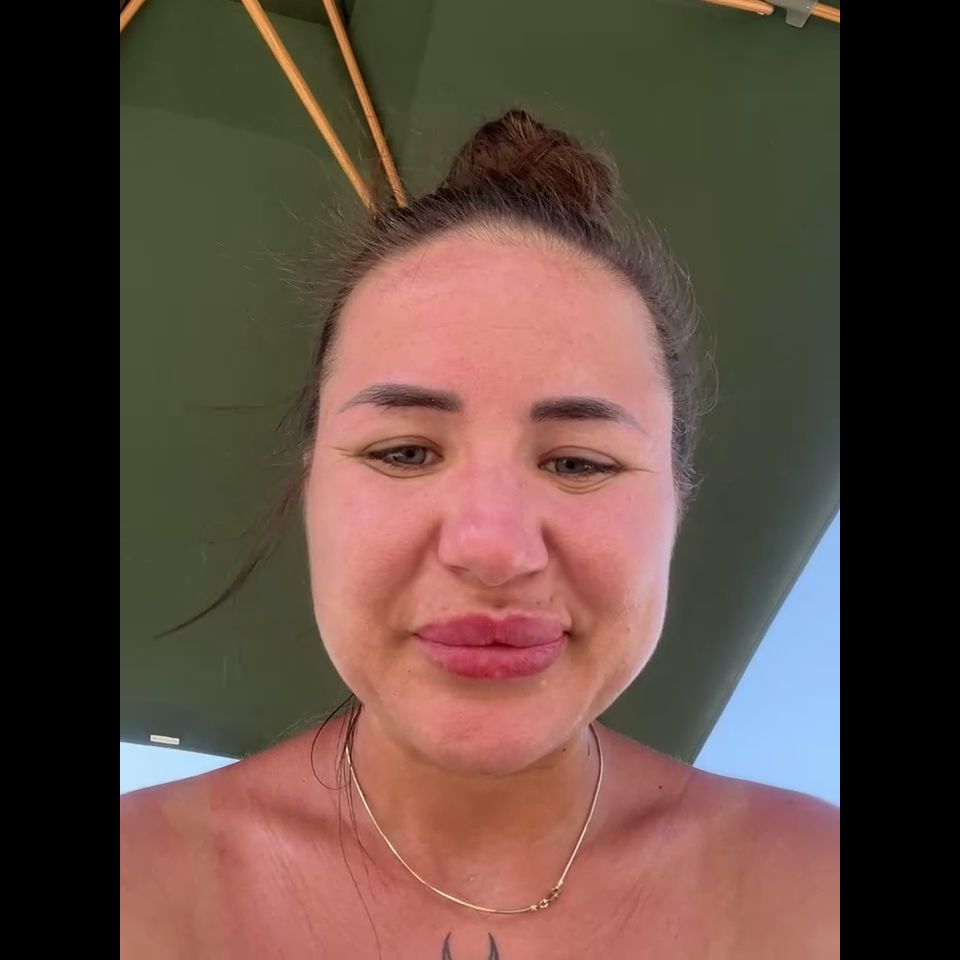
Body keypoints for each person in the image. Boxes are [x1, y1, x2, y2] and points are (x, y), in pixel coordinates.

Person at [120, 109, 839, 959]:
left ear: (677, 507)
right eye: (405, 451)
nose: (493, 548)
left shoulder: (812, 893)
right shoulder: (141, 888)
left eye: (578, 463)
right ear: (311, 489)